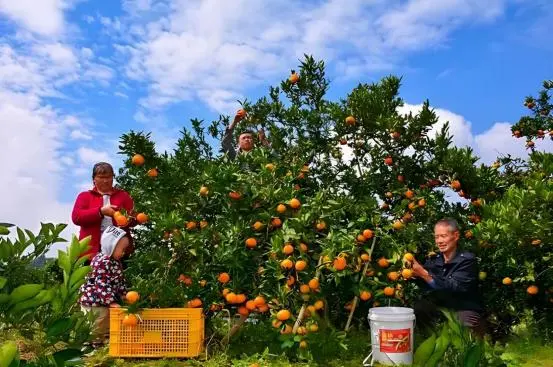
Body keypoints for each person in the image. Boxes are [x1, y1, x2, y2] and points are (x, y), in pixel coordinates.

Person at [411, 218, 485, 335]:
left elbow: (454, 286)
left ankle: (472, 343)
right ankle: (427, 339)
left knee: (463, 333)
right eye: (436, 237)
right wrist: (415, 275)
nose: (439, 241)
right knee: (419, 308)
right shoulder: (434, 260)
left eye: (443, 236)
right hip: (440, 306)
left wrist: (424, 274)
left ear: (455, 236)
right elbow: (427, 285)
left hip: (462, 307)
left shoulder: (467, 260)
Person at [72, 162, 135, 261]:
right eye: (101, 177)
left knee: (119, 276)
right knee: (92, 276)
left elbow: (133, 218)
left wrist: (132, 219)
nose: (105, 181)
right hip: (91, 253)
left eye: (109, 177)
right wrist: (101, 212)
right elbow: (77, 217)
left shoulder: (123, 196)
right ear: (94, 179)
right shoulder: (85, 196)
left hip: (118, 249)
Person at [79, 225, 129, 347]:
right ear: (111, 246)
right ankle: (89, 349)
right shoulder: (102, 261)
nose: (123, 253)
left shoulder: (114, 261)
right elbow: (102, 283)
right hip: (94, 301)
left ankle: (100, 346)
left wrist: (123, 294)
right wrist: (111, 301)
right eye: (121, 249)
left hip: (103, 301)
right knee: (95, 325)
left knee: (104, 325)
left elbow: (119, 280)